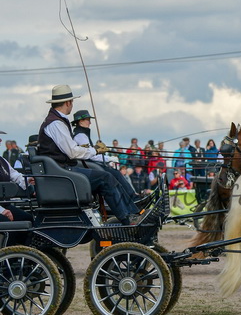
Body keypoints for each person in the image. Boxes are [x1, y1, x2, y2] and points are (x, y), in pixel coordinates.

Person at [37, 85, 140, 225]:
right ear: (68, 102)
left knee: (108, 175)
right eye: (72, 102)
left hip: (62, 169)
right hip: (62, 172)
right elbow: (72, 152)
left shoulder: (56, 120)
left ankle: (132, 212)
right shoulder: (56, 123)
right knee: (105, 178)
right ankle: (127, 218)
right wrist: (95, 150)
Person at [71, 109, 137, 201]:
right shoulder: (81, 136)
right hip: (90, 165)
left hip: (90, 164)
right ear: (80, 121)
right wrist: (109, 158)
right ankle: (133, 198)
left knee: (114, 172)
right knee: (116, 173)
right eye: (88, 120)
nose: (90, 123)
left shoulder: (80, 134)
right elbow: (91, 155)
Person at [0, 130, 33, 222]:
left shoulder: (2, 160)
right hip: (2, 207)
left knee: (28, 219)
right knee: (6, 222)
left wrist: (28, 180)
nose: (1, 140)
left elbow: (15, 175)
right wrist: (1, 211)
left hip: (4, 204)